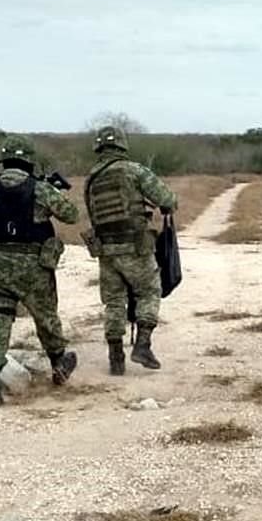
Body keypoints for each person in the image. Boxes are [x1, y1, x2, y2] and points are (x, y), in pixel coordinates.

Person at [0, 134, 79, 409]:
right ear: (29, 161)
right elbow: (71, 215)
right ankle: (59, 364)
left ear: (4, 161)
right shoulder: (41, 189)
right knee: (46, 317)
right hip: (34, 268)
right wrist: (53, 192)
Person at [83, 125, 177, 375]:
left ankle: (116, 359)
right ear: (122, 146)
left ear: (99, 148)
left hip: (106, 250)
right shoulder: (134, 170)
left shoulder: (92, 179)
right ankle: (143, 345)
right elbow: (167, 199)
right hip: (135, 247)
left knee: (114, 302)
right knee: (149, 291)